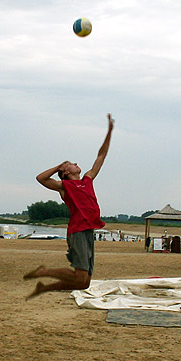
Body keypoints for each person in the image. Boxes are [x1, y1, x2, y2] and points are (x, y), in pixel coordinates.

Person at [24, 114, 114, 300]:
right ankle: (45, 271)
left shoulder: (87, 179)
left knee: (84, 283)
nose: (75, 164)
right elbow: (40, 178)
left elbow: (101, 155)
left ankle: (44, 287)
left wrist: (109, 132)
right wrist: (59, 166)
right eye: (71, 164)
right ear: (66, 172)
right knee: (80, 277)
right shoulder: (64, 187)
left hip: (88, 230)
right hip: (78, 230)